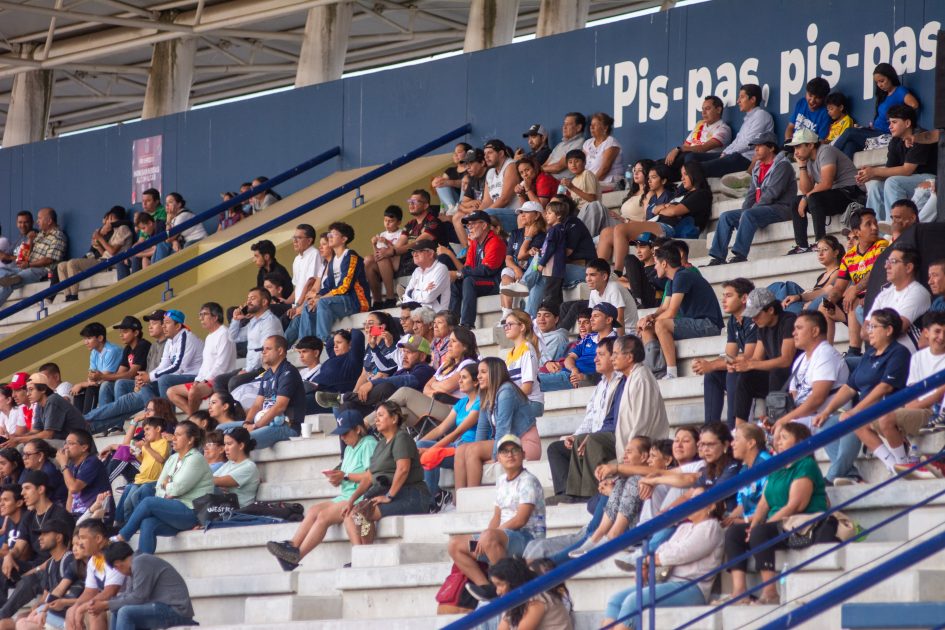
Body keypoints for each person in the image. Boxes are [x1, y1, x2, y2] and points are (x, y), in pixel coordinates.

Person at [727, 422, 835, 604]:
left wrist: (760, 527)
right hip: (780, 523)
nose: (778, 443)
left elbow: (795, 505)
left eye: (784, 438)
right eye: (777, 439)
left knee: (760, 532)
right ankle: (739, 592)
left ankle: (770, 592)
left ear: (800, 442)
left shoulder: (805, 465)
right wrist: (752, 527)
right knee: (734, 533)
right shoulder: (777, 467)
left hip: (803, 523)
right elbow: (763, 504)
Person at [266, 410, 378, 571]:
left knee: (323, 516)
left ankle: (296, 557)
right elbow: (347, 476)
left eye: (345, 433)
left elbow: (370, 476)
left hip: (360, 496)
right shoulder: (348, 449)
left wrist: (344, 476)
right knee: (313, 510)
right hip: (346, 495)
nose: (342, 437)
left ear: (358, 429)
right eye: (340, 434)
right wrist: (337, 479)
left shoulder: (368, 443)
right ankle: (292, 546)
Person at [814, 308, 911, 485]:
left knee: (850, 418)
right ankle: (885, 466)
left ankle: (900, 462)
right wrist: (827, 411)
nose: (869, 331)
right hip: (867, 409)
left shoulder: (899, 352)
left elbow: (885, 387)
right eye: (868, 326)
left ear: (888, 330)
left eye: (873, 327)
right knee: (826, 425)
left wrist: (856, 410)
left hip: (888, 407)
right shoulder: (869, 354)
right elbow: (850, 387)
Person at [601, 496, 725, 629]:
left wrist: (650, 560)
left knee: (633, 601)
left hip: (691, 586)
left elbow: (683, 553)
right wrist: (646, 564)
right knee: (616, 600)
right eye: (690, 499)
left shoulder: (711, 527)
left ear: (711, 506)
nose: (691, 503)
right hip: (666, 582)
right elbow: (663, 548)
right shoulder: (685, 527)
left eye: (696, 499)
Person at [448, 434, 546, 603]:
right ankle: (489, 588)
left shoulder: (528, 481)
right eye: (504, 451)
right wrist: (486, 534)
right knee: (455, 545)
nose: (510, 455)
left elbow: (520, 520)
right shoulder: (501, 481)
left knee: (488, 537)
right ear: (498, 458)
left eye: (514, 450)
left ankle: (511, 587)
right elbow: (497, 516)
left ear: (523, 454)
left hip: (527, 538)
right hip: (501, 536)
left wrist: (488, 535)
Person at [857, 311, 945, 476]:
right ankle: (897, 464)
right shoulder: (918, 358)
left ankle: (903, 464)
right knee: (858, 420)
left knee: (886, 418)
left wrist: (923, 401)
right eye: (937, 331)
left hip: (934, 412)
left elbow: (933, 399)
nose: (941, 337)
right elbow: (912, 395)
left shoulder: (901, 353)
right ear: (926, 332)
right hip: (918, 408)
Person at [113, 421, 213, 553]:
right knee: (148, 523)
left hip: (193, 512)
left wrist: (168, 485)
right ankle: (144, 563)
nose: (174, 438)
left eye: (178, 435)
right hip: (174, 510)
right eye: (174, 434)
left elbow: (177, 489)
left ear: (190, 440)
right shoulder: (173, 458)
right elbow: (159, 487)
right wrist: (167, 488)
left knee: (149, 502)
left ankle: (123, 535)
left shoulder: (196, 458)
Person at [546, 337, 624, 502]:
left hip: (611, 437)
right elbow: (590, 418)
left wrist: (584, 437)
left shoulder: (622, 382)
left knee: (588, 440)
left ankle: (585, 495)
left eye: (601, 355)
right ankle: (564, 493)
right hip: (594, 436)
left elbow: (616, 421)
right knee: (556, 448)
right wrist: (575, 436)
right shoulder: (601, 385)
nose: (595, 359)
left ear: (614, 357)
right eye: (595, 354)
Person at [343, 402, 431, 544]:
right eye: (376, 416)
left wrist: (389, 496)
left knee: (363, 514)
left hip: (412, 494)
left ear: (394, 419)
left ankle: (366, 554)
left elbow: (403, 469)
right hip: (392, 492)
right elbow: (369, 477)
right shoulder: (380, 444)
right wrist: (352, 500)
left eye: (381, 415)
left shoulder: (401, 438)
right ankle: (364, 554)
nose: (376, 419)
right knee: (356, 513)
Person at [707, 132, 797, 265]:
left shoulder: (783, 165)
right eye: (755, 146)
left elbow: (772, 193)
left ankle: (740, 254)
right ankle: (718, 257)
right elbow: (751, 194)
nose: (756, 149)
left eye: (760, 146)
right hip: (761, 209)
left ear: (771, 148)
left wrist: (749, 212)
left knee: (749, 214)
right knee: (726, 216)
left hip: (781, 209)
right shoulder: (757, 167)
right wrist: (745, 211)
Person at [637, 246, 723, 379]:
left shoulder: (683, 276)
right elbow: (664, 308)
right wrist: (649, 317)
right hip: (694, 324)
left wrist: (652, 321)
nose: (654, 268)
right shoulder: (672, 281)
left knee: (661, 325)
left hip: (708, 325)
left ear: (664, 264)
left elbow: (671, 313)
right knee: (647, 330)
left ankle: (671, 372)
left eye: (656, 264)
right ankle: (657, 373)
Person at [0, 471, 74, 620]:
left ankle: (2, 616)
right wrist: (9, 556)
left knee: (29, 580)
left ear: (41, 489)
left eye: (27, 488)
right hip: (35, 566)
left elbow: (66, 554)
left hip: (56, 569)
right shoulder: (29, 517)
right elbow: (19, 547)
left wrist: (36, 569)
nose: (22, 493)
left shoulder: (60, 515)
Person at [456, 359, 540, 489]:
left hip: (523, 444)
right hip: (506, 441)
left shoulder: (506, 391)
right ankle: (459, 500)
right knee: (462, 449)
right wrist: (478, 447)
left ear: (495, 373)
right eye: (478, 372)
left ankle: (472, 496)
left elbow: (503, 428)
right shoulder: (486, 393)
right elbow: (482, 428)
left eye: (483, 372)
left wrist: (495, 456)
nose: (478, 376)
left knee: (472, 450)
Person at [568, 435, 653, 557]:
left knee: (634, 480)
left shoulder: (654, 475)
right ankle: (597, 536)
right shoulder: (623, 479)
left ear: (644, 456)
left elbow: (654, 472)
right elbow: (591, 506)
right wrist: (613, 490)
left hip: (643, 531)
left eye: (629, 452)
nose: (624, 456)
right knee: (621, 481)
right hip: (626, 527)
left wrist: (616, 469)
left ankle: (611, 536)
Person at [786, 129, 865, 254]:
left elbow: (826, 183)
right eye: (794, 148)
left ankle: (820, 242)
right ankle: (802, 246)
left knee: (813, 198)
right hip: (834, 195)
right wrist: (802, 166)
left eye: (798, 147)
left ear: (811, 145)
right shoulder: (809, 160)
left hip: (851, 193)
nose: (796, 152)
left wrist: (806, 198)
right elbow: (806, 189)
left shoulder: (825, 151)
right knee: (796, 201)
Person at [822, 208, 888, 354]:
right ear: (857, 231)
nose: (875, 227)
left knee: (853, 301)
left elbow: (877, 272)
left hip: (877, 296)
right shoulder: (848, 257)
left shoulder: (882, 246)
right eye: (868, 224)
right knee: (823, 308)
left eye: (875, 223)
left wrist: (855, 289)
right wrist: (831, 301)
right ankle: (825, 353)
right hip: (857, 300)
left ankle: (854, 350)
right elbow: (839, 287)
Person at [692, 278, 757, 427]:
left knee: (732, 370)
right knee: (713, 374)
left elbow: (748, 357)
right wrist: (709, 365)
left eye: (729, 296)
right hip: (746, 373)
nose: (723, 300)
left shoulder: (753, 318)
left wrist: (712, 364)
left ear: (744, 298)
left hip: (761, 375)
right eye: (723, 296)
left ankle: (733, 426)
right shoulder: (733, 321)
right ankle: (711, 428)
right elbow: (730, 355)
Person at [222, 335, 306, 449]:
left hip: (285, 426)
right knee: (221, 429)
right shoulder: (267, 374)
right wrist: (247, 423)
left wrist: (256, 426)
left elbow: (280, 407)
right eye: (263, 349)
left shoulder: (288, 372)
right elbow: (257, 404)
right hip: (263, 422)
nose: (263, 352)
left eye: (268, 349)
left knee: (238, 440)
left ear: (280, 351)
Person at [417, 363, 481, 509]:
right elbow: (441, 429)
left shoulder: (480, 402)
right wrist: (416, 446)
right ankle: (435, 494)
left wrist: (430, 449)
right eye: (460, 378)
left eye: (464, 378)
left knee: (430, 453)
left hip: (468, 450)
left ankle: (431, 502)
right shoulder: (462, 402)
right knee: (420, 445)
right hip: (456, 446)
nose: (459, 381)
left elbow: (455, 433)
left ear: (476, 381)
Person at [772, 311, 849, 430]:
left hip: (824, 418)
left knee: (781, 432)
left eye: (799, 328)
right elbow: (795, 397)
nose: (793, 333)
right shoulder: (800, 359)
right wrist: (778, 418)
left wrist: (785, 420)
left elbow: (817, 399)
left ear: (815, 331)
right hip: (805, 417)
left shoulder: (825, 355)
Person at [857, 104, 936, 220]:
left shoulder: (920, 136)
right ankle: (878, 234)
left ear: (907, 123)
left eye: (894, 122)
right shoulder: (895, 141)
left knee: (893, 182)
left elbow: (907, 170)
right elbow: (889, 171)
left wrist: (874, 171)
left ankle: (894, 227)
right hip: (907, 181)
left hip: (930, 179)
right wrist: (870, 176)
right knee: (876, 187)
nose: (890, 126)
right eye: (889, 123)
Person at [732, 288, 798, 425]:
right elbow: (757, 358)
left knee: (776, 371)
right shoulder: (762, 326)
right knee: (745, 377)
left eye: (756, 315)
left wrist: (751, 364)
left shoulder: (789, 321)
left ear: (771, 310)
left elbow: (786, 360)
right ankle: (739, 428)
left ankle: (774, 421)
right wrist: (740, 363)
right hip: (777, 379)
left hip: (794, 378)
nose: (753, 319)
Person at [94, 541, 195, 630]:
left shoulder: (140, 562)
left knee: (125, 612)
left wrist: (106, 604)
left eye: (116, 569)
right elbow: (128, 595)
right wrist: (108, 603)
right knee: (117, 610)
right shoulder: (133, 566)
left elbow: (139, 598)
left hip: (176, 611)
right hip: (162, 608)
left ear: (118, 564)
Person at [684, 84, 775, 178]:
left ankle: (680, 191)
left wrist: (727, 153)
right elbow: (736, 142)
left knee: (699, 168)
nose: (738, 101)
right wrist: (725, 152)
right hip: (734, 155)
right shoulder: (748, 119)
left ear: (752, 99)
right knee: (691, 157)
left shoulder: (761, 115)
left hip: (745, 159)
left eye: (742, 97)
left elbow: (749, 143)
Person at [834, 63, 921, 159]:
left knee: (849, 131)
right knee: (850, 145)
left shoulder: (899, 91)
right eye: (877, 82)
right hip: (874, 131)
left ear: (890, 77)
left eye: (882, 81)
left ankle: (828, 156)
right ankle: (846, 173)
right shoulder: (883, 95)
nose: (880, 85)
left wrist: (903, 122)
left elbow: (914, 105)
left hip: (885, 134)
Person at [612, 161, 713, 244]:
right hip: (660, 226)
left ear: (694, 174)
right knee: (609, 234)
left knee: (621, 230)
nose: (682, 178)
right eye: (681, 175)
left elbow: (673, 212)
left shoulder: (700, 194)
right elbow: (664, 210)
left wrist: (658, 209)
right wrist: (662, 208)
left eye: (685, 174)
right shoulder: (683, 194)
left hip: (672, 230)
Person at [10, 516, 81, 630]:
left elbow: (61, 591)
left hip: (67, 616)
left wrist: (42, 609)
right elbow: (45, 596)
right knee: (21, 618)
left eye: (45, 534)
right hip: (52, 613)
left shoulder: (69, 559)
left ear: (58, 537)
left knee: (23, 624)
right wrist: (37, 606)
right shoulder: (50, 564)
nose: (40, 538)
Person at [165, 302, 236, 414]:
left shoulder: (224, 333)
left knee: (193, 391)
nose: (200, 318)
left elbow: (222, 365)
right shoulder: (209, 337)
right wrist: (197, 380)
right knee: (171, 392)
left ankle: (193, 420)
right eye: (200, 314)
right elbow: (205, 364)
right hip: (206, 379)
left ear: (215, 317)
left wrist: (205, 380)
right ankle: (194, 417)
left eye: (204, 314)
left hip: (219, 379)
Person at [311, 222, 371, 343]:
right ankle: (307, 343)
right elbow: (328, 286)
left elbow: (345, 287)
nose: (330, 237)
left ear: (344, 239)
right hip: (339, 301)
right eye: (329, 234)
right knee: (309, 307)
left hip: (355, 301)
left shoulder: (351, 256)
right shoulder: (333, 261)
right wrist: (316, 296)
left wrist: (321, 298)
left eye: (334, 234)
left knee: (322, 303)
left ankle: (323, 341)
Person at [57, 207, 133, 300]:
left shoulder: (123, 228)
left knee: (72, 263)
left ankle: (74, 295)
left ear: (113, 217)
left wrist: (100, 237)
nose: (106, 222)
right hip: (103, 260)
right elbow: (106, 253)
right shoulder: (115, 230)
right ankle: (68, 295)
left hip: (112, 263)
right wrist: (98, 246)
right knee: (61, 266)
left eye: (109, 218)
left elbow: (113, 252)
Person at [539, 303, 618, 392]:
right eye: (591, 316)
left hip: (580, 379)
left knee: (531, 382)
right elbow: (570, 358)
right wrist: (574, 369)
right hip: (568, 374)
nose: (591, 319)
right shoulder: (588, 338)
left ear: (608, 320)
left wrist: (586, 377)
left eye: (596, 316)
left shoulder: (616, 343)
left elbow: (612, 370)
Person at [64, 519, 126, 630]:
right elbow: (90, 591)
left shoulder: (115, 553)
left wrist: (81, 608)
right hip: (112, 603)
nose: (80, 543)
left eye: (83, 538)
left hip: (126, 603)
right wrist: (76, 607)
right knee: (71, 611)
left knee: (93, 612)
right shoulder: (93, 560)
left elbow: (109, 592)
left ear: (98, 539)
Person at [218, 287, 283, 393]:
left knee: (234, 382)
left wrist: (248, 370)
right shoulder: (253, 321)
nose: (248, 302)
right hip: (251, 367)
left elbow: (265, 351)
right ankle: (225, 408)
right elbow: (233, 337)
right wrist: (235, 320)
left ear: (264, 301)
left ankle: (235, 408)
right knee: (219, 381)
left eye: (252, 298)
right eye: (248, 298)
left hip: (265, 368)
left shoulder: (270, 322)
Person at [865, 247, 930, 352]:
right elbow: (864, 331)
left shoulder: (918, 292)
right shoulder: (884, 294)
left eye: (893, 262)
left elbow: (898, 328)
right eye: (887, 262)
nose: (887, 266)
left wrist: (874, 330)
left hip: (906, 358)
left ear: (908, 267)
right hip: (881, 355)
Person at [0, 208, 67, 309]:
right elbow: (23, 256)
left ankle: (14, 278)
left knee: (9, 284)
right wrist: (30, 240)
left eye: (39, 218)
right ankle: (10, 277)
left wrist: (28, 264)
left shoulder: (58, 236)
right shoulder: (39, 234)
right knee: (5, 274)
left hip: (41, 270)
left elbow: (48, 260)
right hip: (24, 267)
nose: (37, 221)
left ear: (49, 221)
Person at [3, 373, 88, 451]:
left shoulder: (53, 400)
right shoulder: (39, 405)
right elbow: (36, 431)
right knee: (22, 446)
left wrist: (19, 440)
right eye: (27, 390)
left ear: (43, 389)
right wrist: (14, 438)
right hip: (64, 442)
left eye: (31, 390)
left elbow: (48, 435)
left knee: (33, 447)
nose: (28, 394)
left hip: (78, 444)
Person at [112, 417, 169, 527]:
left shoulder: (163, 442)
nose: (145, 432)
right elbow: (143, 461)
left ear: (158, 429)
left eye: (148, 429)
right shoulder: (146, 445)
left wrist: (147, 447)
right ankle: (128, 523)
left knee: (135, 497)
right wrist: (137, 455)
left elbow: (161, 459)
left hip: (152, 480)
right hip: (140, 479)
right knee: (128, 502)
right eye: (144, 430)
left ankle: (138, 521)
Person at [488, 557, 572, 630]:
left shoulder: (537, 600)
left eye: (500, 584)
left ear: (513, 582)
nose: (497, 592)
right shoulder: (516, 599)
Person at [457, 210, 507, 329]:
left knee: (468, 281)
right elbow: (468, 266)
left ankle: (467, 325)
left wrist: (460, 273)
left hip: (495, 282)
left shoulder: (495, 241)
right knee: (456, 283)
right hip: (480, 281)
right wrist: (460, 274)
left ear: (484, 225)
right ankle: (452, 323)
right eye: (468, 225)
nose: (469, 228)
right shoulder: (474, 242)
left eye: (473, 224)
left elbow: (487, 270)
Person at [663, 96, 732, 181]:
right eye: (702, 109)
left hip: (707, 158)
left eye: (707, 109)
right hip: (686, 157)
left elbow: (703, 148)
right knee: (659, 165)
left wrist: (678, 149)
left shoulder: (724, 129)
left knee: (689, 156)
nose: (703, 113)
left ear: (718, 110)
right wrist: (677, 152)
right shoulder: (700, 124)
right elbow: (686, 145)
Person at [497, 201, 546, 318]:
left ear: (537, 215)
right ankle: (507, 314)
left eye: (527, 212)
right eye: (521, 212)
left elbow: (520, 255)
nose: (522, 215)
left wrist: (529, 237)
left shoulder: (541, 235)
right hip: (515, 268)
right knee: (505, 276)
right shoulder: (515, 233)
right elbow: (508, 258)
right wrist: (516, 269)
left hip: (531, 271)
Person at [94, 316, 151, 408]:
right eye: (120, 332)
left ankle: (120, 416)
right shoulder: (128, 348)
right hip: (133, 384)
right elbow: (120, 373)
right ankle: (106, 419)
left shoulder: (143, 345)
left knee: (121, 383)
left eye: (125, 332)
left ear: (136, 332)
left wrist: (102, 376)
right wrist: (101, 378)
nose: (121, 335)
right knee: (106, 385)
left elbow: (130, 374)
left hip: (143, 384)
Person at [782, 236, 844, 317]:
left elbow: (824, 293)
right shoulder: (822, 275)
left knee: (788, 305)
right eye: (818, 250)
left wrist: (800, 297)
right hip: (809, 301)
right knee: (786, 286)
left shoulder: (838, 272)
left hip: (817, 305)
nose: (820, 254)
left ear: (836, 252)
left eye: (825, 250)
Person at [71, 323, 123, 413]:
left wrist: (82, 384)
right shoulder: (94, 352)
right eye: (84, 339)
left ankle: (88, 421)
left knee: (91, 388)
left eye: (89, 338)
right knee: (80, 391)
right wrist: (86, 383)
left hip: (114, 385)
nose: (85, 342)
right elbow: (91, 376)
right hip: (102, 384)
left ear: (100, 338)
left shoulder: (112, 351)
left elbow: (104, 378)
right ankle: (80, 421)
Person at [502, 310, 545, 418]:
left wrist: (506, 400)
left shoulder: (527, 349)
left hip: (531, 402)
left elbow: (527, 388)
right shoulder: (510, 353)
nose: (506, 327)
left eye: (510, 324)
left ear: (522, 327)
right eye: (505, 325)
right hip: (519, 402)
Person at [57, 430, 109, 519]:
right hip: (78, 514)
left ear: (84, 447)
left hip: (96, 515)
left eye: (70, 443)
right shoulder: (72, 464)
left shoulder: (92, 462)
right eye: (65, 443)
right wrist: (67, 518)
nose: (66, 447)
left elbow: (74, 488)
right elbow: (70, 493)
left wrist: (63, 465)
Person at [365, 206, 408, 308]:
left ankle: (390, 297)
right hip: (383, 264)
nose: (387, 224)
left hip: (396, 262)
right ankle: (377, 300)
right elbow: (376, 255)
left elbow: (396, 251)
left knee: (383, 256)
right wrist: (374, 245)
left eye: (391, 221)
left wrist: (387, 242)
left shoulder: (402, 233)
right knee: (367, 260)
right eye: (385, 220)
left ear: (399, 222)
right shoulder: (382, 234)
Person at [478, 139, 522, 233]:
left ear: (501, 153)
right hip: (497, 213)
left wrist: (482, 216)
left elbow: (505, 199)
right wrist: (476, 215)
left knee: (488, 214)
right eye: (485, 153)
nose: (486, 157)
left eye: (490, 153)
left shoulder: (510, 165)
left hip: (515, 214)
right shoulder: (490, 172)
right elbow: (486, 201)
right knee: (469, 219)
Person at [151, 193, 207, 262]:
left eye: (170, 202)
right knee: (159, 248)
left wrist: (168, 221)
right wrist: (174, 241)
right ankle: (155, 269)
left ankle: (156, 269)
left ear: (179, 204)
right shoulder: (175, 217)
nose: (167, 205)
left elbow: (169, 238)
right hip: (186, 242)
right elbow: (169, 237)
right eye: (166, 203)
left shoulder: (183, 215)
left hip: (197, 240)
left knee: (163, 246)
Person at [212, 427, 259, 508]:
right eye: (225, 444)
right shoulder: (230, 463)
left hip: (239, 514)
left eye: (229, 444)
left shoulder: (249, 467)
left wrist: (218, 482)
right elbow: (212, 480)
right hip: (223, 511)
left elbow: (212, 481)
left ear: (241, 445)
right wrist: (218, 483)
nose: (225, 448)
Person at [402, 240, 451, 311]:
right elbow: (405, 297)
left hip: (435, 316)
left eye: (419, 251)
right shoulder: (417, 271)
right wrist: (424, 291)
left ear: (431, 254)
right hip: (417, 314)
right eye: (413, 252)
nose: (415, 255)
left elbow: (429, 297)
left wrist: (412, 293)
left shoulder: (440, 268)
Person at [582, 112, 624, 191]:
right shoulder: (587, 143)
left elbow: (605, 169)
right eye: (591, 124)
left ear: (605, 128)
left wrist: (590, 184)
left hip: (609, 182)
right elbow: (582, 164)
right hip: (592, 183)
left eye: (595, 124)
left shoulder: (611, 142)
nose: (591, 127)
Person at [784, 77, 832, 142]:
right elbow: (790, 126)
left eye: (817, 98)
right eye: (810, 95)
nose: (812, 101)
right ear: (806, 92)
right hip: (793, 145)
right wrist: (788, 140)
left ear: (824, 98)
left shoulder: (825, 114)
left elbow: (821, 141)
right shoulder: (801, 102)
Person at [542, 112, 586, 180]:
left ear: (578, 127)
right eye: (564, 124)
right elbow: (545, 164)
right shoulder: (560, 145)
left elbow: (558, 167)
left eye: (568, 124)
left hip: (562, 184)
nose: (564, 127)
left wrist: (539, 169)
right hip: (546, 179)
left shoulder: (579, 143)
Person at [432, 142, 472, 211]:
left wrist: (450, 182)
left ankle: (458, 206)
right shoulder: (450, 170)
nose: (455, 154)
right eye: (454, 152)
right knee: (439, 183)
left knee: (465, 180)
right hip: (453, 204)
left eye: (459, 152)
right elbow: (441, 187)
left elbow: (466, 182)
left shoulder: (471, 168)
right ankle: (451, 207)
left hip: (466, 202)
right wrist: (435, 182)